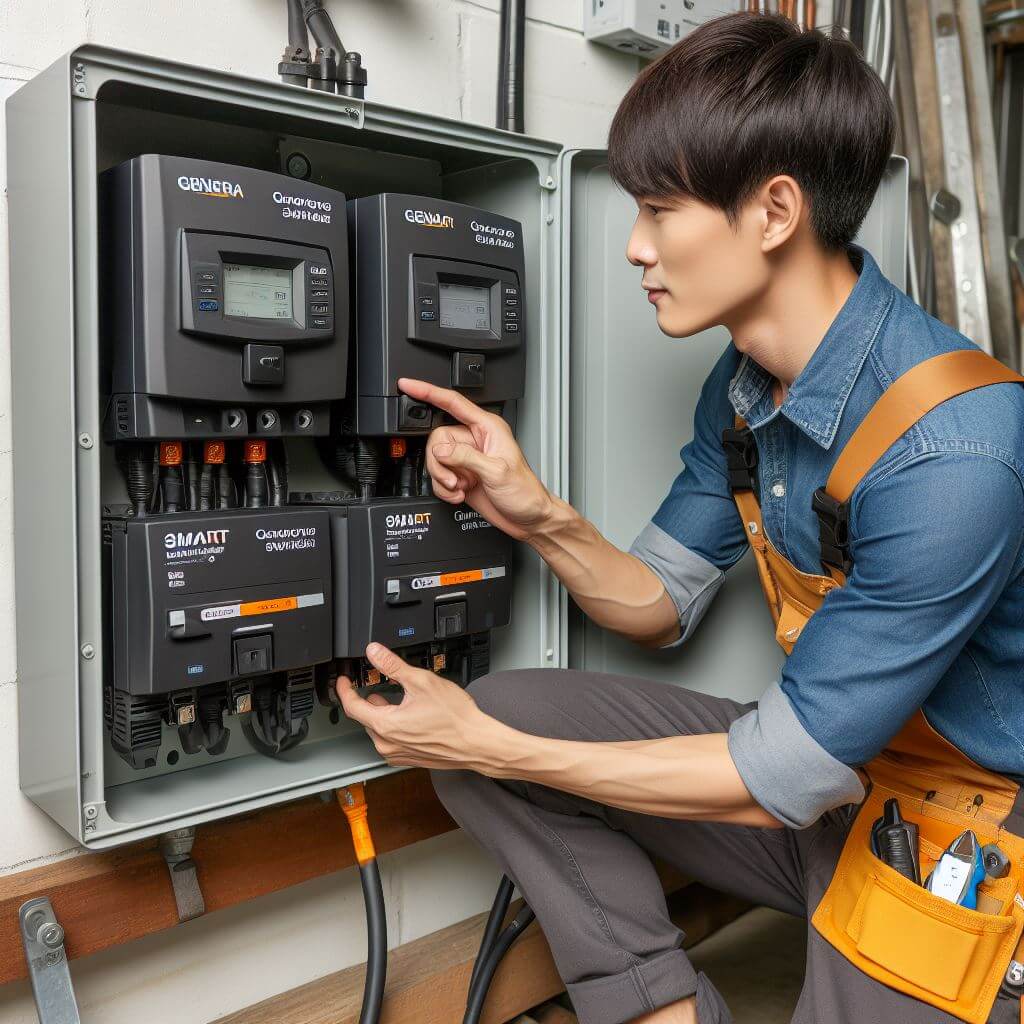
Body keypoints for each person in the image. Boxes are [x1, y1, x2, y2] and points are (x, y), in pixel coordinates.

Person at [338, 12, 1024, 1024]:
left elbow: (775, 776)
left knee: (488, 739)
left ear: (774, 210)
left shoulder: (957, 450)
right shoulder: (746, 385)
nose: (633, 245)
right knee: (509, 707)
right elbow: (659, 603)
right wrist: (533, 514)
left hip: (975, 840)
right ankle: (660, 1008)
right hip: (842, 789)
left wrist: (481, 746)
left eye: (659, 209)